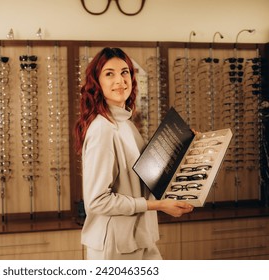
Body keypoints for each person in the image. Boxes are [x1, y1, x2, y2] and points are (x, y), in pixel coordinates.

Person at [73, 47, 194, 260]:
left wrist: (185, 144)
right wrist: (157, 205)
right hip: (114, 246)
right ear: (97, 83)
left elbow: (145, 175)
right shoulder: (102, 129)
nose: (120, 80)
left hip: (139, 237)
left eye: (125, 72)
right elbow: (97, 201)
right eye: (109, 73)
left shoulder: (126, 124)